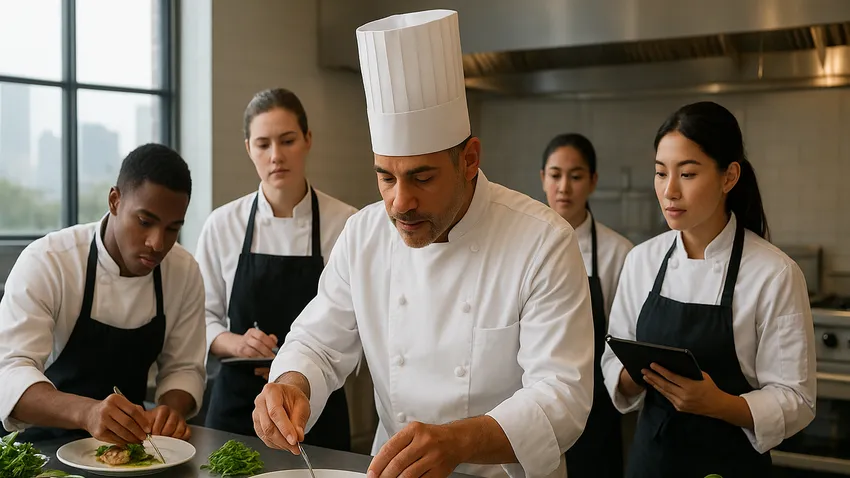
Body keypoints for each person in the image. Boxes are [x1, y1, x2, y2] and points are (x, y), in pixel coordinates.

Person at [251, 9, 595, 478]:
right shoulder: (364, 234)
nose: (399, 202)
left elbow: (562, 396)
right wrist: (292, 382)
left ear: (469, 160)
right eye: (385, 177)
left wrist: (458, 440)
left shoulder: (543, 241)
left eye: (422, 177)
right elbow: (319, 342)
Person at [600, 101, 816, 478]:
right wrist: (637, 372)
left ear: (729, 177)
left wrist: (718, 404)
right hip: (652, 461)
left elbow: (796, 400)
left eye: (687, 174)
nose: (669, 191)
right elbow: (613, 364)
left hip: (730, 465)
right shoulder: (641, 261)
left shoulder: (773, 273)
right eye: (660, 173)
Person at [0, 143, 206, 445]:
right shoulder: (50, 260)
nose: (157, 243)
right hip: (39, 449)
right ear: (114, 201)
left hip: (130, 451)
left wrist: (170, 411)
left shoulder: (183, 270)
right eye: (145, 222)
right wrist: (87, 412)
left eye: (172, 228)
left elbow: (184, 368)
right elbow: (9, 372)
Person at [197, 88, 357, 449]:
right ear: (248, 148)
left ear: (307, 140)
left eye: (287, 141)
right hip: (235, 409)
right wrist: (236, 344)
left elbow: (355, 325)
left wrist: (295, 368)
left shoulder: (347, 223)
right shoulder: (222, 224)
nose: (276, 156)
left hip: (315, 407)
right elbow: (201, 320)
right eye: (263, 144)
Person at [540, 133, 632, 478]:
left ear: (592, 181)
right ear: (542, 179)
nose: (564, 186)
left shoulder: (618, 253)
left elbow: (622, 343)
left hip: (596, 410)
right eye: (555, 175)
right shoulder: (521, 248)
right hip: (532, 406)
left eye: (575, 176)